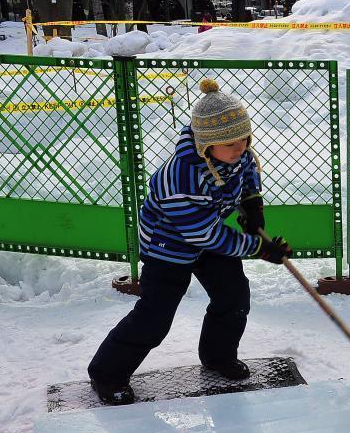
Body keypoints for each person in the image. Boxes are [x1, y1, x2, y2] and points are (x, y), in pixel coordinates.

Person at [87, 79, 293, 405]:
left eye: (245, 139)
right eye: (231, 144)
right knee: (155, 318)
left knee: (234, 296)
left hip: (208, 238)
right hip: (168, 246)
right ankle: (107, 373)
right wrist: (258, 248)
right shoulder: (180, 176)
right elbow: (204, 234)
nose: (240, 148)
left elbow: (248, 169)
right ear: (205, 146)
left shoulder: (235, 153)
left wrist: (253, 205)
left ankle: (217, 356)